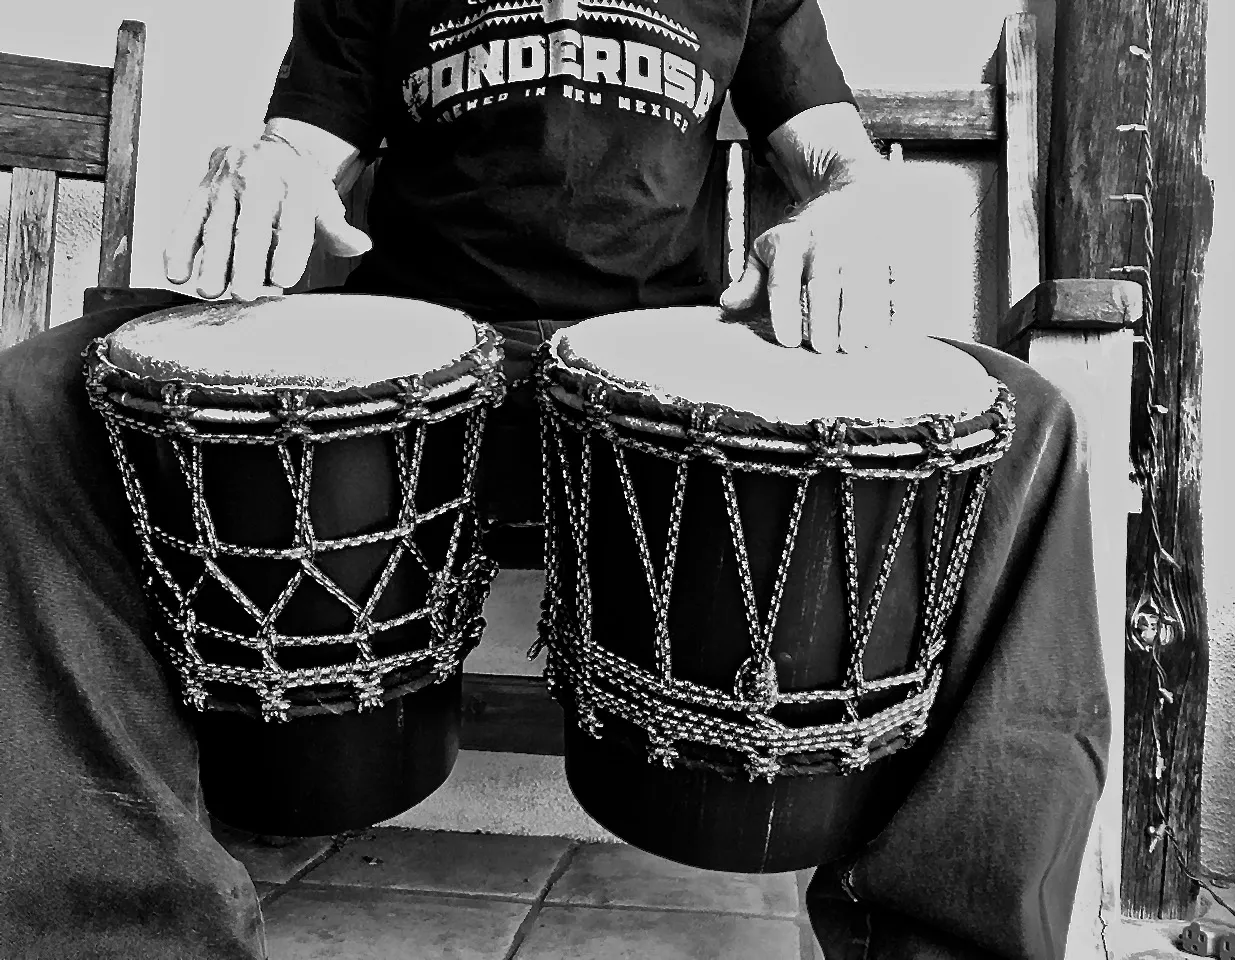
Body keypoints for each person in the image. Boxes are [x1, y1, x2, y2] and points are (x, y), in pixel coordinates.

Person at [0, 1, 1108, 958]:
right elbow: (304, 141)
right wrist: (269, 169)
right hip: (418, 402)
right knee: (37, 399)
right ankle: (117, 929)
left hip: (659, 400)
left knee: (1027, 430)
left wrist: (852, 208)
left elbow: (833, 155)